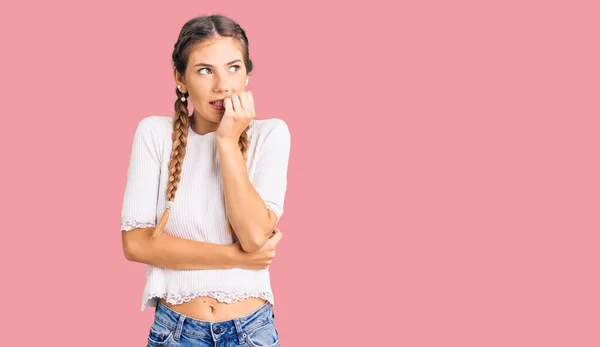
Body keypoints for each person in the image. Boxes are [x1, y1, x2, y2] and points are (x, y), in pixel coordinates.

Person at [120, 14, 290, 347]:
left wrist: (227, 142)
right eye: (204, 70)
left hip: (251, 332)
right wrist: (237, 259)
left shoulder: (271, 135)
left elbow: (255, 237)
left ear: (247, 74)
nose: (223, 85)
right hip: (176, 332)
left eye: (233, 68)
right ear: (180, 78)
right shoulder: (155, 134)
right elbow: (136, 243)